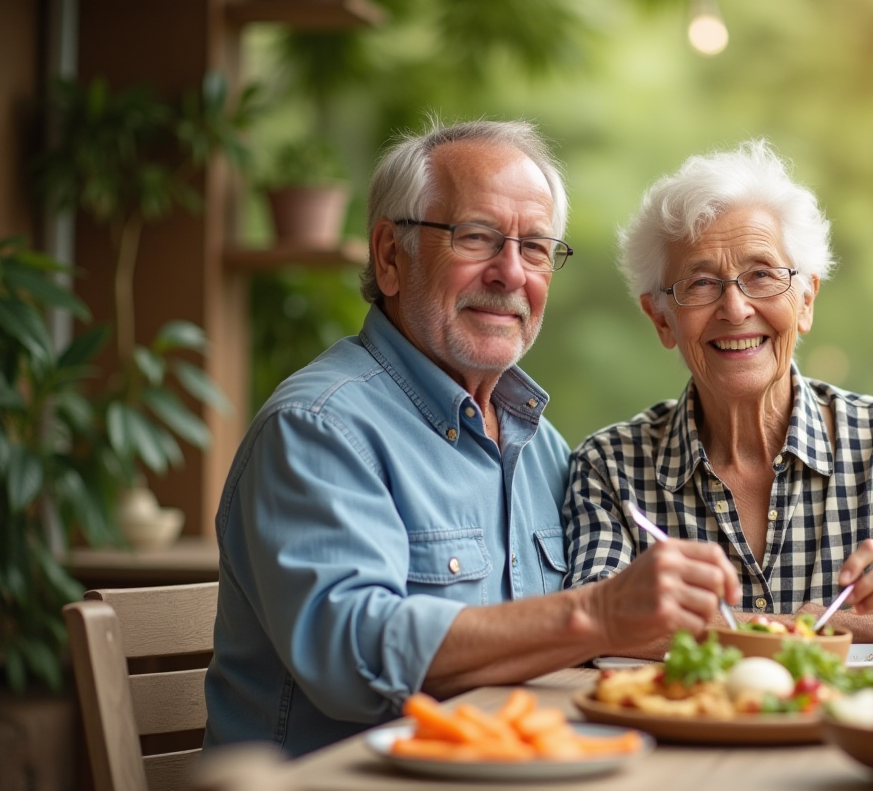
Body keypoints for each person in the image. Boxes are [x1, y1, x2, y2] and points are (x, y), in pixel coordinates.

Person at [203, 120, 740, 758]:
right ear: (388, 256)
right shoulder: (318, 428)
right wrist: (596, 614)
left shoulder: (541, 445)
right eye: (477, 237)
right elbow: (353, 656)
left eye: (536, 248)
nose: (511, 273)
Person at [563, 139, 873, 663]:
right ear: (661, 320)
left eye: (762, 274)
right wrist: (805, 630)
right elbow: (589, 623)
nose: (735, 307)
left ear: (806, 300)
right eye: (700, 283)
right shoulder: (611, 467)